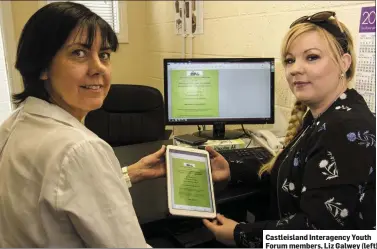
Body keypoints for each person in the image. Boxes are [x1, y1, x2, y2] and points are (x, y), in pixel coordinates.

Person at [0, 2, 230, 247]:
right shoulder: (80, 149)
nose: (99, 67)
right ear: (42, 66)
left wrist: (132, 173)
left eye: (104, 55)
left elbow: (59, 195)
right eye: (79, 53)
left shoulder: (14, 124)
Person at [203, 11, 376, 247]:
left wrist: (240, 233)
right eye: (290, 60)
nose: (295, 69)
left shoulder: (344, 128)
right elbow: (290, 175)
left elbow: (317, 233)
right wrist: (232, 170)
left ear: (344, 63)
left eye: (312, 57)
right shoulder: (326, 115)